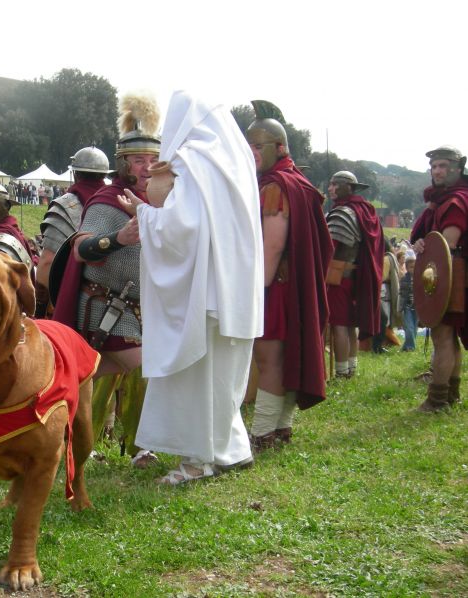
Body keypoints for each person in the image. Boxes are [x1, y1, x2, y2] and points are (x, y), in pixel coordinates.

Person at [117, 91, 264, 483]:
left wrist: (143, 214)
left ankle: (198, 461)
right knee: (223, 374)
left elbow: (185, 226)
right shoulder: (235, 161)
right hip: (232, 289)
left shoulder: (195, 162)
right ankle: (230, 450)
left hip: (204, 291)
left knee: (198, 375)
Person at [53, 93, 160, 467]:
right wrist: (118, 238)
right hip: (105, 306)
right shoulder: (107, 200)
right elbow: (81, 248)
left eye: (153, 160)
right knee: (143, 367)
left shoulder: (155, 203)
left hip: (137, 307)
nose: (147, 167)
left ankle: (79, 444)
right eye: (139, 160)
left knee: (99, 375)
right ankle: (139, 446)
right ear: (123, 163)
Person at [243, 101, 333, 451]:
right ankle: (280, 428)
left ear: (280, 148)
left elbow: (273, 246)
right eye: (248, 147)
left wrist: (256, 290)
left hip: (274, 286)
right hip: (292, 286)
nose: (252, 154)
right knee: (283, 356)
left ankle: (263, 432)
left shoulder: (276, 187)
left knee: (269, 359)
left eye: (258, 147)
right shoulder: (298, 183)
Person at [410, 146, 468, 411]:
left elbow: (448, 245)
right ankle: (451, 395)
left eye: (443, 166)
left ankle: (436, 400)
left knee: (442, 337)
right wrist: (422, 243)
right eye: (434, 167)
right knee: (450, 338)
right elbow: (433, 241)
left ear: (458, 168)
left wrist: (431, 248)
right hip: (451, 273)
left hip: (452, 275)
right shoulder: (441, 201)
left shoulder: (456, 201)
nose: (437, 171)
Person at [326, 171, 384, 378]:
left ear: (348, 188)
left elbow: (330, 248)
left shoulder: (343, 213)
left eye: (335, 184)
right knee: (350, 325)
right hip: (356, 276)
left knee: (339, 325)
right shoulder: (365, 211)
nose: (330, 188)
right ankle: (351, 368)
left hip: (339, 277)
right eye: (330, 184)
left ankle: (341, 372)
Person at [37, 146, 110, 294]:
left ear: (75, 174)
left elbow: (47, 263)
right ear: (104, 174)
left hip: (76, 296)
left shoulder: (64, 206)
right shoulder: (117, 202)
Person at [399, 250, 417, 352]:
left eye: (414, 267)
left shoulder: (420, 278)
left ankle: (406, 346)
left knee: (414, 328)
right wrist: (400, 307)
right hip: (407, 306)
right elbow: (401, 294)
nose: (412, 269)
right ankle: (410, 348)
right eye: (410, 267)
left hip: (417, 306)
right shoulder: (404, 279)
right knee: (409, 327)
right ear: (406, 267)